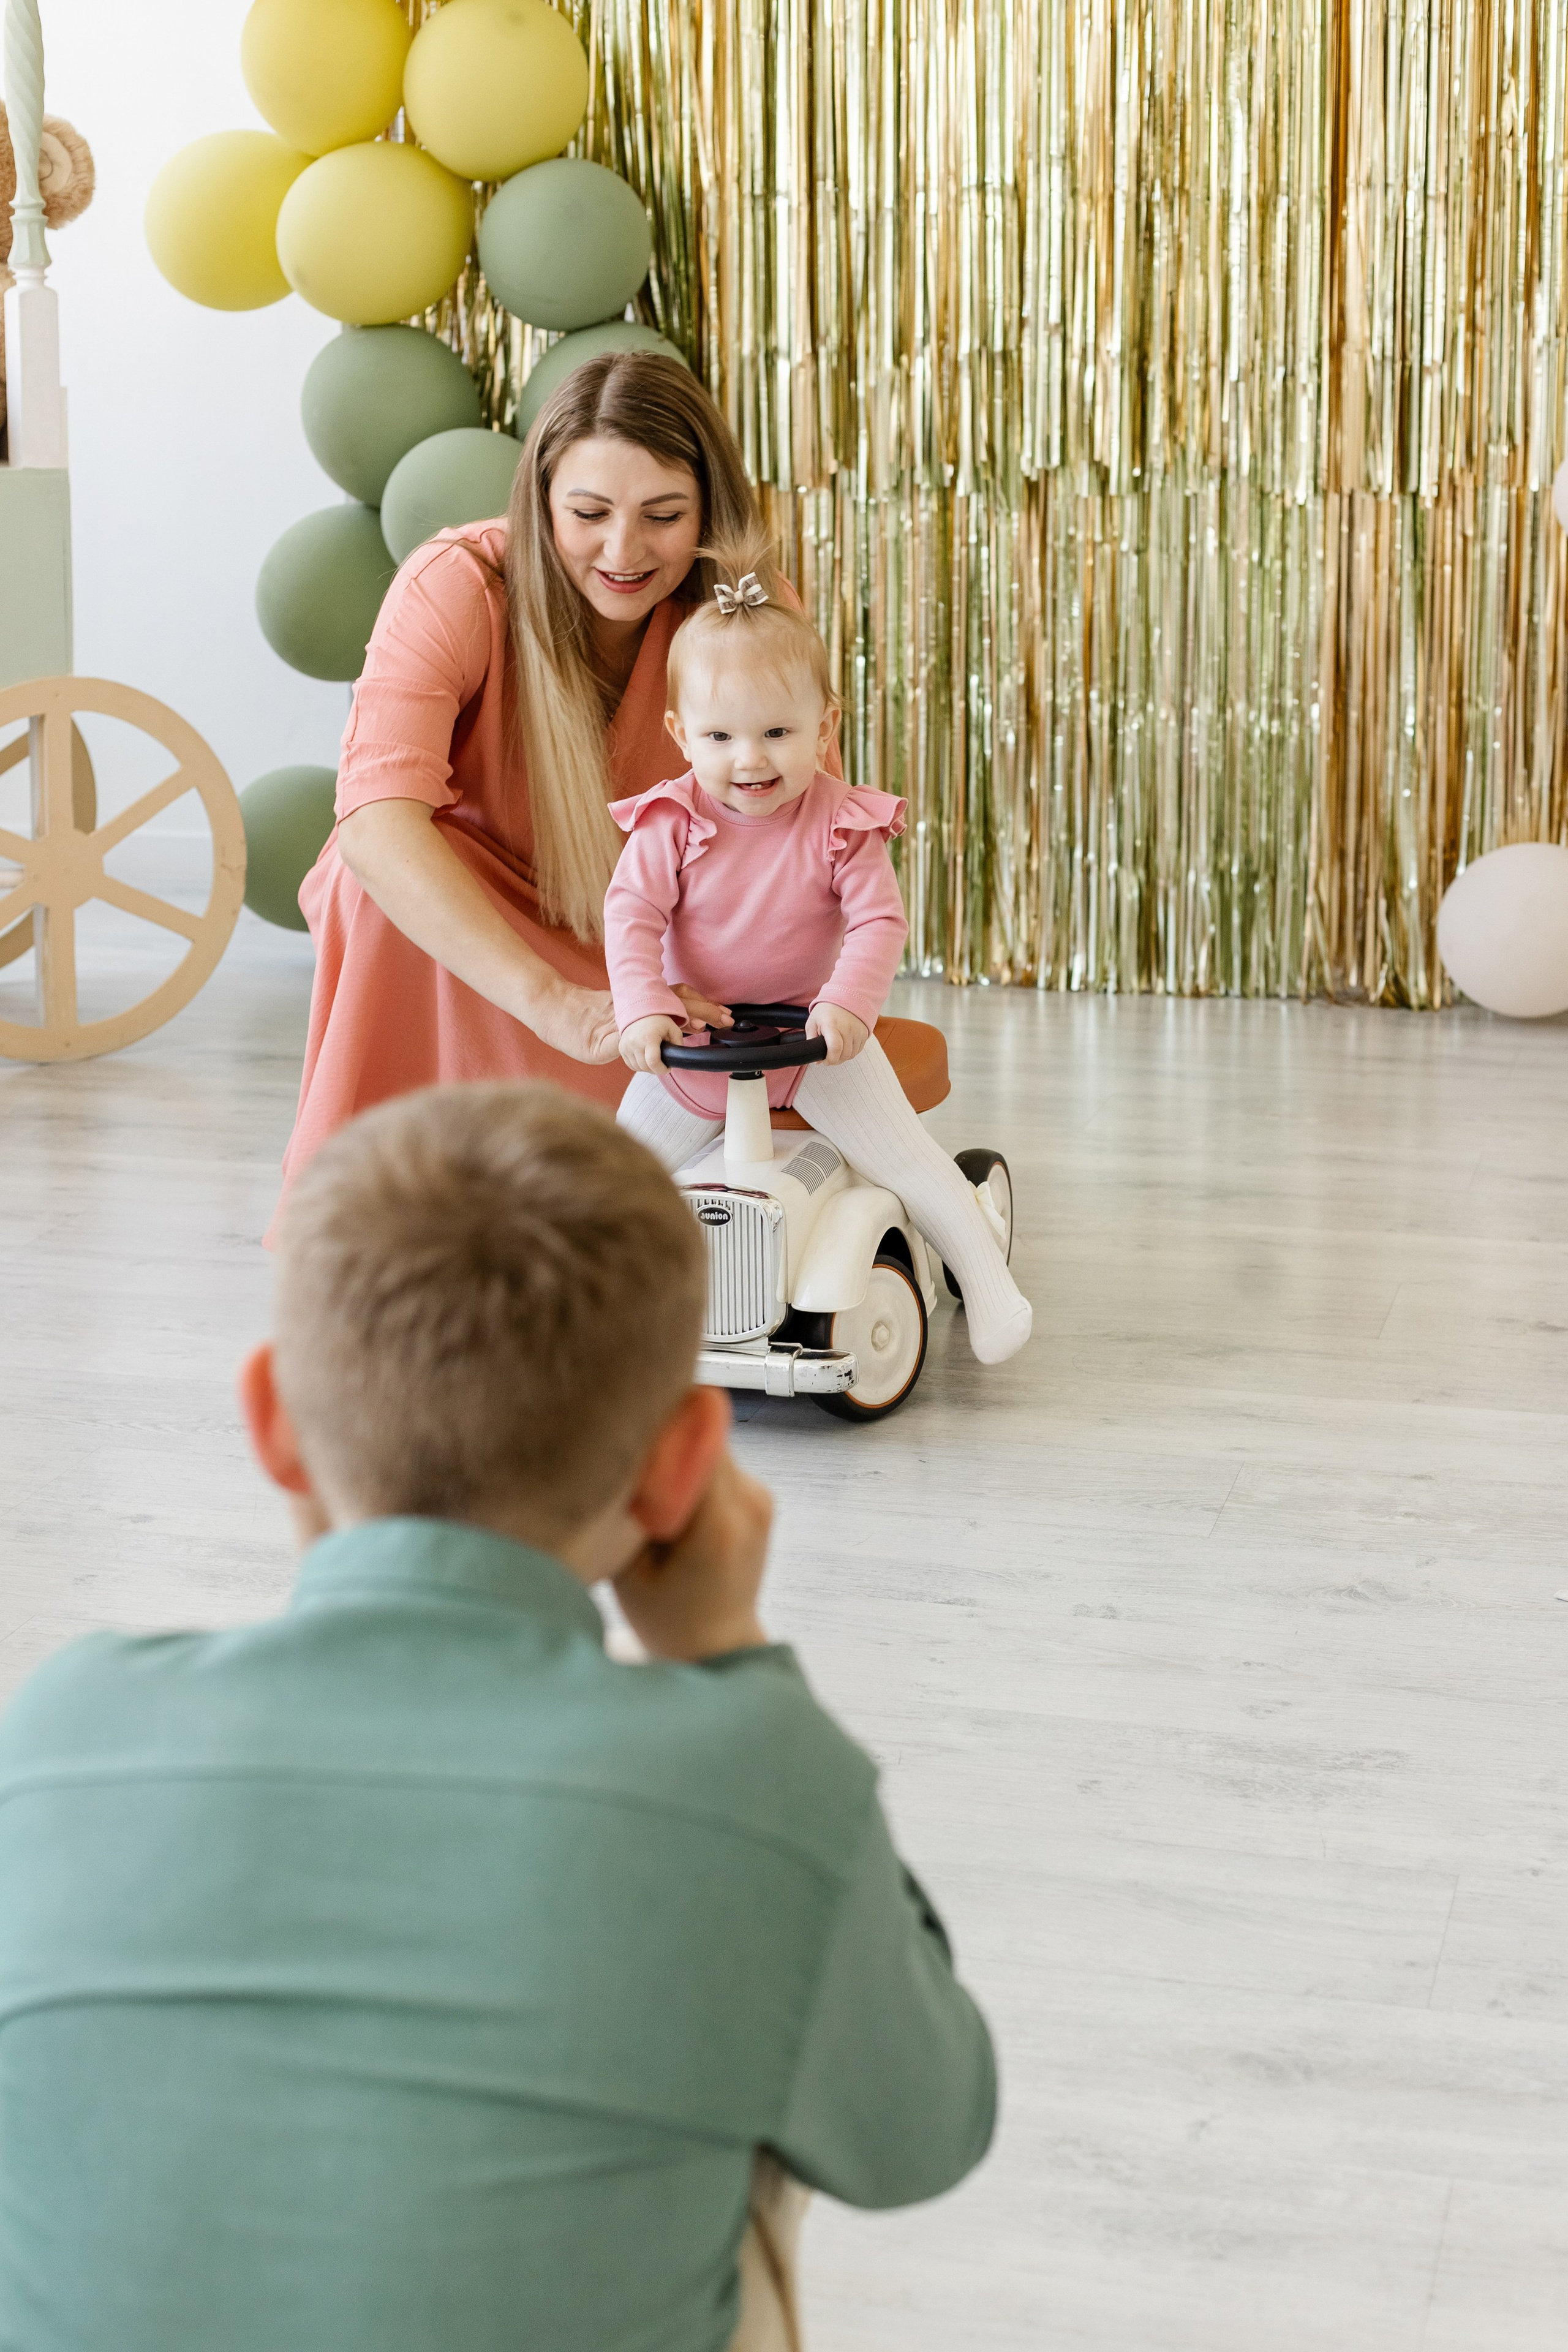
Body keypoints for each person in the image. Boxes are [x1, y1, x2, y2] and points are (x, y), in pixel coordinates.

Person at [0, 1085, 997, 2352]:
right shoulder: (746, 1776)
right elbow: (925, 2132)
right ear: (687, 1460)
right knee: (755, 2066)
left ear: (271, 1421)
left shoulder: (59, 1730)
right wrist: (731, 1660)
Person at [280, 352, 760, 1197]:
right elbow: (375, 822)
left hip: (645, 932)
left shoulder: (745, 611)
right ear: (541, 504)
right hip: (472, 932)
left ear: (708, 511)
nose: (624, 549)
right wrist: (552, 1001)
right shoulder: (458, 583)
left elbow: (797, 825)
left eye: (664, 515)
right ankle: (387, 1216)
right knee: (370, 892)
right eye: (589, 513)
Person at [606, 529, 1033, 1366]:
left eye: (776, 732)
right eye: (721, 737)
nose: (750, 759)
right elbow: (631, 918)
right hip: (699, 1044)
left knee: (908, 1162)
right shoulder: (670, 823)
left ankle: (988, 1282)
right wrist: (644, 1007)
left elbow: (878, 922)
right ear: (679, 733)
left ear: (824, 724)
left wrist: (846, 1006)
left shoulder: (841, 823)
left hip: (813, 1039)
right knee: (604, 1180)